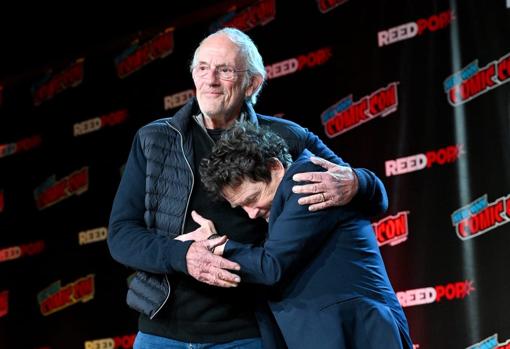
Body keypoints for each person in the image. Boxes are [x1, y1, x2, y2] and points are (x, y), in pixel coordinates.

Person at [108, 27, 388, 349]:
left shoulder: (288, 136)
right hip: (162, 332)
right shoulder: (154, 139)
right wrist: (183, 255)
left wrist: (356, 182)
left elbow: (373, 196)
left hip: (247, 333)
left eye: (224, 70)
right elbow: (121, 235)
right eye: (202, 68)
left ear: (252, 83)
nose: (210, 80)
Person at [198, 122, 413, 349]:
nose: (250, 214)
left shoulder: (308, 181)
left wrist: (214, 244)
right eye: (241, 207)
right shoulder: (284, 200)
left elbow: (272, 266)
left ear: (274, 167)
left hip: (358, 332)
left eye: (252, 199)